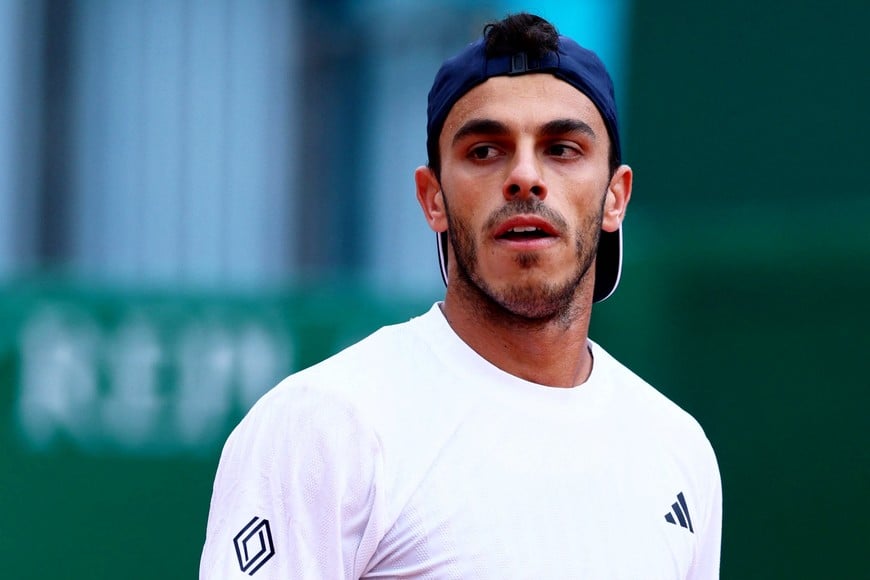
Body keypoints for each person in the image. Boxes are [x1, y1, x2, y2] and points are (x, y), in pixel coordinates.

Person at [200, 12, 722, 579]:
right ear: (433, 198)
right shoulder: (324, 426)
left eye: (563, 148)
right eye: (485, 151)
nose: (525, 176)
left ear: (616, 197)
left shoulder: (677, 450)